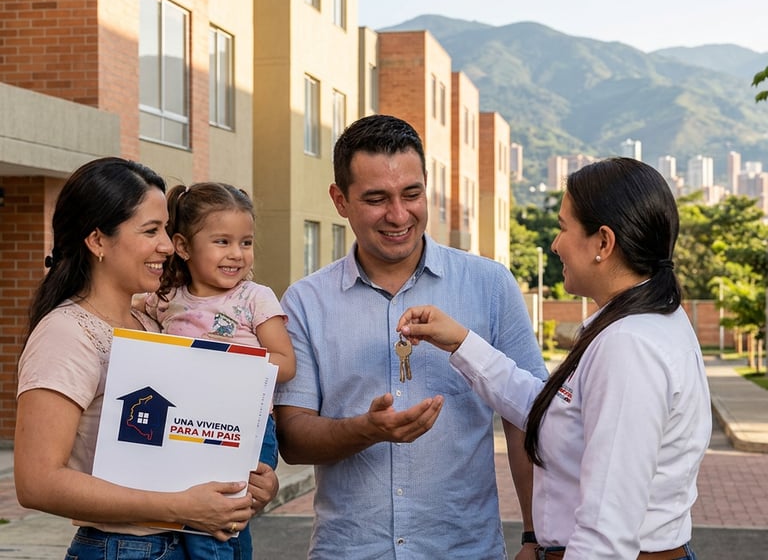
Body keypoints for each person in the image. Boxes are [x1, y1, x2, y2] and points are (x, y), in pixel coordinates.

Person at [397, 157, 710, 559]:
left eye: (563, 228)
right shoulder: (638, 323)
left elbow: (605, 535)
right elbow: (555, 411)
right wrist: (461, 342)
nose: (555, 243)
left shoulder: (628, 346)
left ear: (603, 243)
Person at [273, 114, 548, 559]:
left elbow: (528, 418)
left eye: (412, 194)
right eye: (376, 198)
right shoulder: (305, 302)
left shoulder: (491, 285)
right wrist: (366, 430)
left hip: (465, 550)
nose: (399, 215)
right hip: (350, 551)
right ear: (339, 200)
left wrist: (538, 537)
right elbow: (294, 439)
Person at [14, 157, 279, 560]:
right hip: (124, 548)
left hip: (187, 544)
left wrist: (248, 484)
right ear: (98, 240)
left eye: (167, 231)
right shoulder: (66, 333)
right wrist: (181, 507)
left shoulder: (152, 322)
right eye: (151, 231)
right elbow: (37, 482)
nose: (168, 245)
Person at [135, 181, 296, 560]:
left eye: (246, 242)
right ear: (184, 246)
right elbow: (123, 309)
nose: (237, 254)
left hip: (247, 425)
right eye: (222, 242)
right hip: (187, 426)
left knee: (218, 523)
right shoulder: (165, 299)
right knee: (196, 517)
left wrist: (222, 361)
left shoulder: (254, 298)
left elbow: (286, 363)